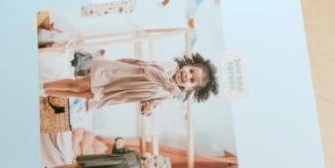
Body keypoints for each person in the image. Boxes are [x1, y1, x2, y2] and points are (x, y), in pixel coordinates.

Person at [42, 53, 219, 113]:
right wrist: (166, 84)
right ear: (187, 65)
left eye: (191, 79)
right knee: (77, 85)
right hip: (119, 76)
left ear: (190, 88)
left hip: (118, 92)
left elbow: (154, 101)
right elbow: (149, 69)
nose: (186, 75)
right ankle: (43, 86)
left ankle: (45, 92)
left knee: (82, 94)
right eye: (190, 70)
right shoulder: (171, 68)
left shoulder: (169, 94)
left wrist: (148, 107)